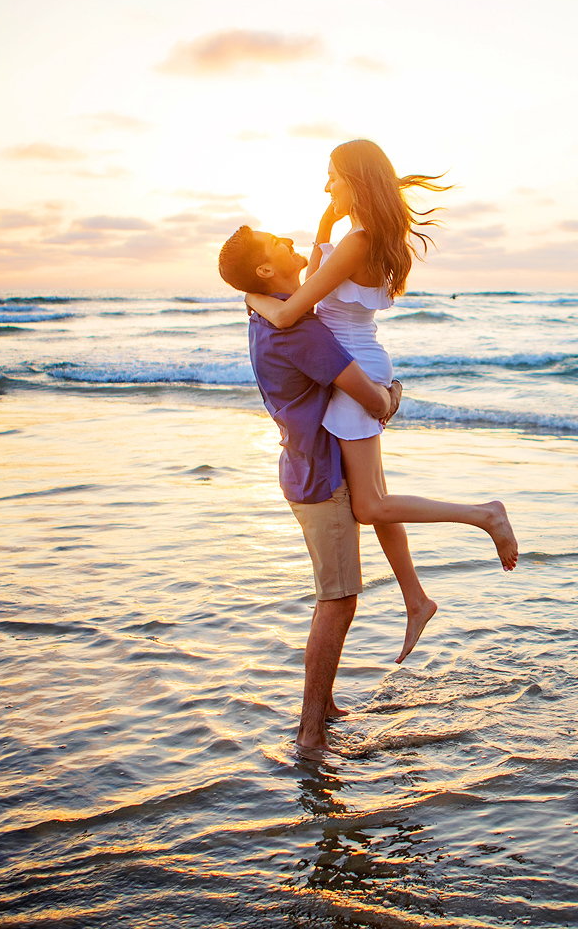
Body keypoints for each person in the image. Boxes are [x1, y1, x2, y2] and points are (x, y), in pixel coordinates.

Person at [242, 140, 517, 668]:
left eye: (332, 178)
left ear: (355, 180)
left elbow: (289, 313)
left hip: (355, 374)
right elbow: (323, 284)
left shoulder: (358, 242)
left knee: (368, 505)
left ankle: (485, 515)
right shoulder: (369, 238)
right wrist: (325, 221)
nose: (327, 187)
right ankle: (416, 599)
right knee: (379, 495)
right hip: (362, 361)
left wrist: (249, 295)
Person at [218, 224, 400, 752]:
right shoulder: (300, 331)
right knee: (338, 601)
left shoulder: (265, 309)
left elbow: (279, 284)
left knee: (335, 596)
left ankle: (326, 706)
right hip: (321, 478)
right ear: (266, 271)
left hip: (304, 467)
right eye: (277, 243)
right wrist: (391, 397)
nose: (288, 240)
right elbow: (367, 396)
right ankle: (310, 732)